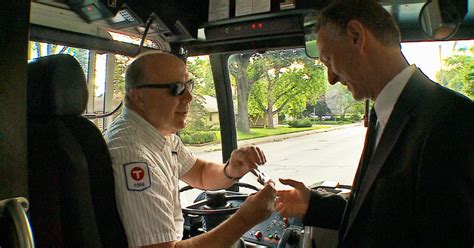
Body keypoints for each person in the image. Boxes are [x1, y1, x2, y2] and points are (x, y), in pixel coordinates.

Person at [276, 0, 474, 247]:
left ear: (357, 36)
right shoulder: (383, 114)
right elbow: (383, 214)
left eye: (328, 60)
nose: (330, 79)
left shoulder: (451, 119)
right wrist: (312, 205)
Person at [104, 51, 276, 248]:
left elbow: (200, 173)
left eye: (188, 85)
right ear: (138, 97)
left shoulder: (158, 135)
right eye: (175, 88)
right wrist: (244, 219)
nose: (189, 97)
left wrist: (231, 170)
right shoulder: (134, 156)